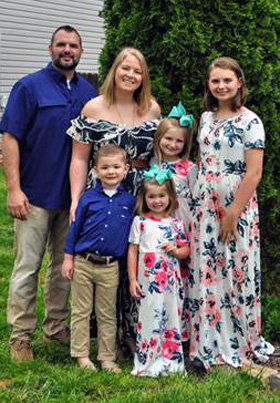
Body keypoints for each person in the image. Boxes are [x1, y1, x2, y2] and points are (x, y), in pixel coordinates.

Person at [0, 25, 95, 361]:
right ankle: (20, 336)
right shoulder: (29, 87)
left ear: (81, 51)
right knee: (27, 267)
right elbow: (9, 137)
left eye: (73, 45)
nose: (66, 50)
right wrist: (14, 189)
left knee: (62, 268)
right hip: (34, 195)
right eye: (61, 44)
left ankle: (56, 327)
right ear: (50, 48)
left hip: (72, 200)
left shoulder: (88, 92)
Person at [67, 47, 161, 352]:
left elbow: (159, 158)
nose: (130, 75)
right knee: (102, 256)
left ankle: (134, 332)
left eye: (137, 71)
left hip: (139, 194)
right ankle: (99, 334)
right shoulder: (93, 108)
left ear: (143, 77)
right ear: (115, 71)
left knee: (136, 257)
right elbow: (80, 159)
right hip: (102, 193)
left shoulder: (152, 110)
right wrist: (75, 200)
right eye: (126, 68)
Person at [188, 57, 274, 370]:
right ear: (209, 85)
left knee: (237, 271)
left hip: (236, 209)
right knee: (209, 272)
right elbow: (204, 161)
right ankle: (209, 342)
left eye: (227, 80)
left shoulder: (251, 121)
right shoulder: (206, 118)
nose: (221, 86)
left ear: (239, 82)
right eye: (215, 81)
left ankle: (241, 340)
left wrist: (233, 212)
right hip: (205, 209)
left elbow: (254, 173)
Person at [62, 144, 135, 373]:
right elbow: (74, 228)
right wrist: (68, 257)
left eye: (116, 167)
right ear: (95, 170)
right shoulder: (88, 198)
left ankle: (107, 357)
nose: (111, 171)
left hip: (110, 266)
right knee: (81, 310)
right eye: (105, 167)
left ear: (126, 168)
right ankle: (82, 355)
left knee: (107, 312)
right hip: (83, 262)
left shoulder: (130, 202)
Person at [128, 165, 189, 376]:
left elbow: (186, 249)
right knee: (149, 316)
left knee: (171, 317)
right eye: (151, 196)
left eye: (161, 195)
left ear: (170, 196)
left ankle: (171, 361)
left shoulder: (176, 223)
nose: (157, 201)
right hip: (148, 280)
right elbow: (133, 251)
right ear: (144, 198)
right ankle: (147, 361)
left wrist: (176, 251)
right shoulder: (140, 222)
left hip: (171, 281)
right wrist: (132, 279)